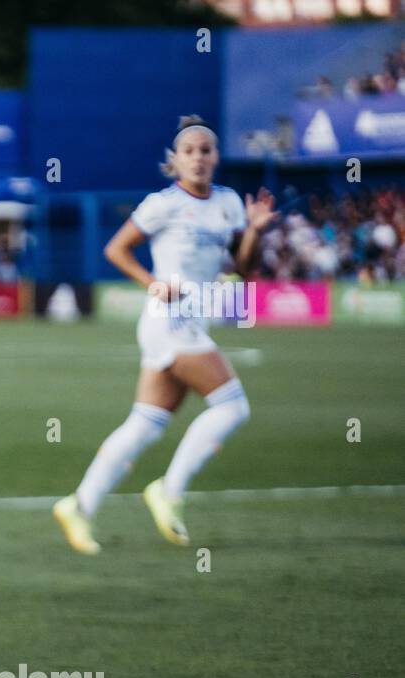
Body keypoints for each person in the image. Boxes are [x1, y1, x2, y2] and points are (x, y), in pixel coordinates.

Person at [54, 116, 277, 554]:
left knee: (144, 425)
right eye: (189, 151)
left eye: (206, 150)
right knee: (232, 407)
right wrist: (150, 282)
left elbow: (243, 268)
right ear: (174, 161)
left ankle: (79, 505)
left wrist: (253, 230)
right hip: (168, 319)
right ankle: (169, 491)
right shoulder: (162, 203)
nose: (197, 158)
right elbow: (116, 248)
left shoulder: (230, 203)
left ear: (215, 158)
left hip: (194, 321)